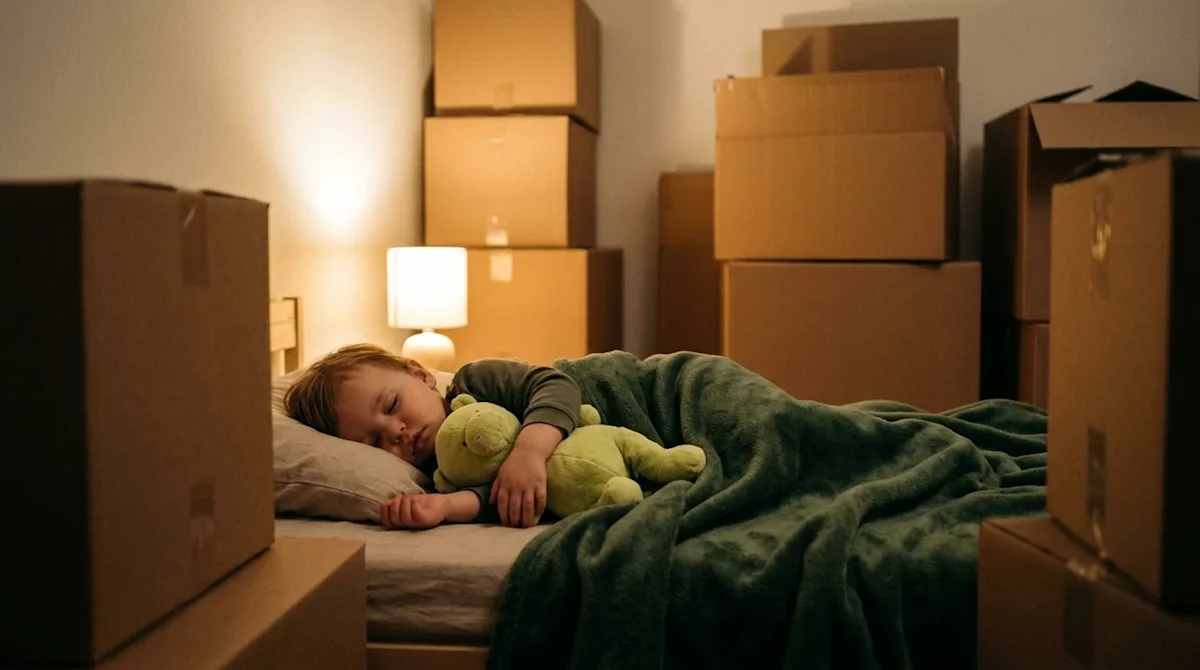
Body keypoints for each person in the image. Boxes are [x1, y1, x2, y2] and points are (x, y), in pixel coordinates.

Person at [284, 343, 582, 531]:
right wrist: (445, 507)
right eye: (375, 443)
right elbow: (501, 498)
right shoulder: (439, 474)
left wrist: (528, 453)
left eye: (392, 405)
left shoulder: (474, 382)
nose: (394, 432)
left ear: (420, 374)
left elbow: (556, 385)